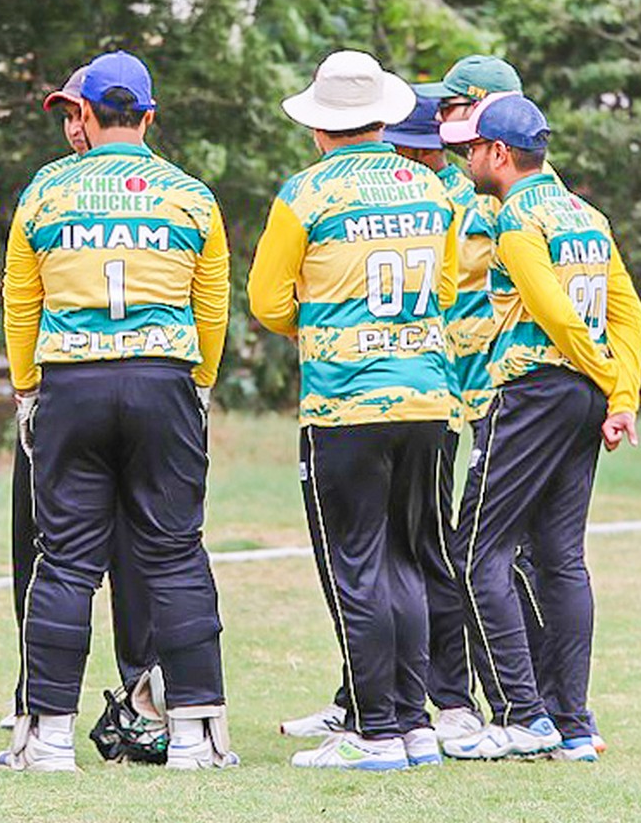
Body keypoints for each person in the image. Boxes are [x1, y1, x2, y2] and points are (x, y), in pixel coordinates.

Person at [0, 50, 234, 773]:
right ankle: (193, 737)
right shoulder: (190, 196)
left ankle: (49, 737)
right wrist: (198, 383)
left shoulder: (45, 191)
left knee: (65, 561)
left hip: (72, 381)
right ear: (149, 117)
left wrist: (26, 389)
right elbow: (212, 304)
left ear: (86, 115)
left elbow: (20, 301)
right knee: (175, 553)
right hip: (162, 377)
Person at [249, 50, 459, 772]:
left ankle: (373, 730)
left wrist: (319, 323)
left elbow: (267, 301)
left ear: (319, 126)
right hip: (427, 397)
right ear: (383, 119)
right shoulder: (430, 188)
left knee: (359, 566)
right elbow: (447, 289)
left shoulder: (305, 194)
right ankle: (414, 723)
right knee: (408, 560)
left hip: (345, 404)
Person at [440, 93, 641, 763]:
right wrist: (619, 393)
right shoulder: (586, 214)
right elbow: (628, 314)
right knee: (560, 557)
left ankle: (521, 715)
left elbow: (556, 315)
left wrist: (603, 373)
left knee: (476, 550)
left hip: (533, 393)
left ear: (498, 153)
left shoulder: (515, 219)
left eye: (473, 149)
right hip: (584, 400)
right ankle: (573, 725)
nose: (467, 160)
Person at [5, 67, 161, 763]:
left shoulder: (142, 190)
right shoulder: (48, 189)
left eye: (80, 113)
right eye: (65, 116)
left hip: (83, 392)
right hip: (64, 394)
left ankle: (141, 693)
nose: (73, 127)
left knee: (135, 555)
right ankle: (35, 694)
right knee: (42, 553)